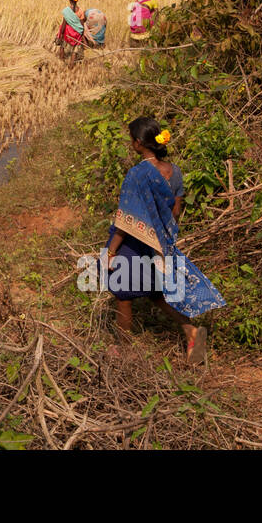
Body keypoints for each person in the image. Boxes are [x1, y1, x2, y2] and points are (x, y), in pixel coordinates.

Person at [102, 117, 225, 363]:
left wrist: (111, 252)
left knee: (122, 293)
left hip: (134, 242)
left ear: (138, 143)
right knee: (157, 292)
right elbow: (176, 212)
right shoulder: (174, 171)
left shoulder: (137, 174)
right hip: (160, 242)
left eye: (131, 140)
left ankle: (123, 350)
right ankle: (190, 330)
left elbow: (126, 220)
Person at [57, 0, 88, 66]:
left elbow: (64, 23)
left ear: (69, 0)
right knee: (75, 50)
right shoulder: (80, 11)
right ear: (77, 0)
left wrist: (61, 34)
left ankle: (61, 62)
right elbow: (81, 24)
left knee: (62, 45)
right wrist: (82, 34)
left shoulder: (67, 11)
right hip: (77, 33)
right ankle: (71, 66)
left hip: (68, 32)